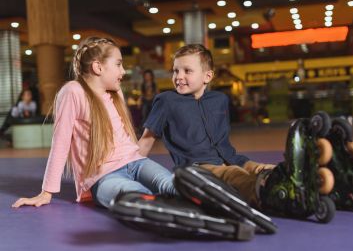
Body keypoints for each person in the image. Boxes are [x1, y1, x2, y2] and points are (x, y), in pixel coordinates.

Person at [12, 36, 176, 209]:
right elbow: (60, 142)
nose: (123, 72)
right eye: (118, 64)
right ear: (98, 67)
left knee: (171, 185)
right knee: (136, 196)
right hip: (104, 176)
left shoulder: (115, 91)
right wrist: (46, 192)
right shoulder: (73, 91)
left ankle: (201, 207)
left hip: (137, 162)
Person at [138, 44, 275, 208]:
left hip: (233, 159)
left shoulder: (220, 100)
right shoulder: (166, 101)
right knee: (235, 174)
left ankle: (297, 185)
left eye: (187, 71)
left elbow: (222, 141)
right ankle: (269, 197)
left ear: (207, 76)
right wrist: (128, 172)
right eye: (175, 71)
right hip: (198, 167)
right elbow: (146, 140)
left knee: (264, 169)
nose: (179, 77)